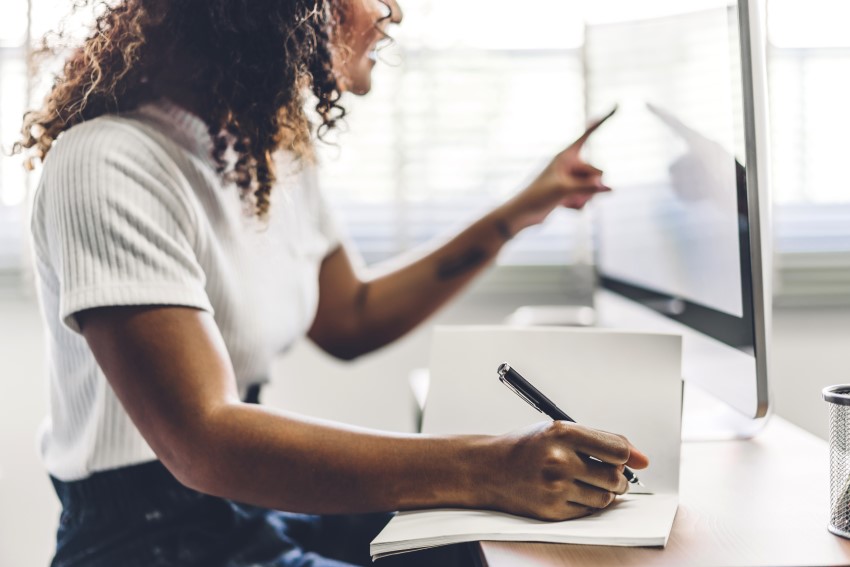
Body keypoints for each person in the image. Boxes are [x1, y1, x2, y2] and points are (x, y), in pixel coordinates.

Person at [15, 1, 649, 565]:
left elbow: (352, 316)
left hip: (244, 506)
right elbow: (203, 443)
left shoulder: (268, 151)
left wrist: (518, 213)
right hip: (146, 537)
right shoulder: (106, 163)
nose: (392, 13)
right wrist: (490, 466)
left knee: (465, 550)